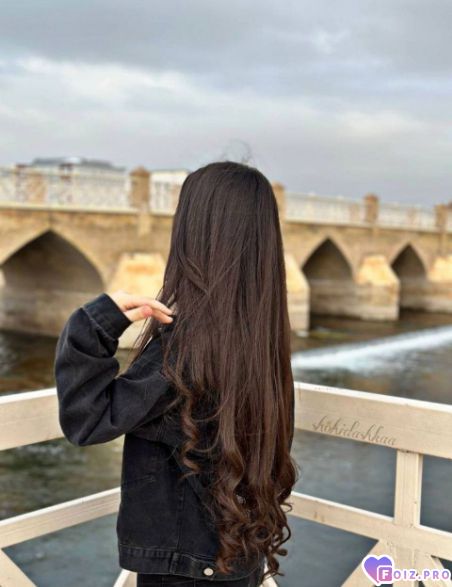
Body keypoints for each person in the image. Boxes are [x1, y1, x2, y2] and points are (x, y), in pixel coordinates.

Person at [54, 160, 298, 587]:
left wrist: (95, 323)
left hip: (186, 571)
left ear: (194, 234)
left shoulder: (188, 348)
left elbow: (87, 420)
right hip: (237, 554)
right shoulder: (259, 341)